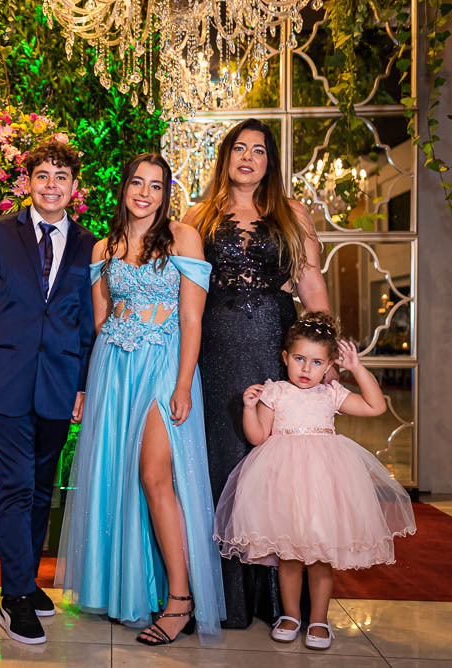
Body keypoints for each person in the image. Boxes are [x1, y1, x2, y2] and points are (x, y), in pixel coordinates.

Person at [56, 153, 225, 646]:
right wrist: (96, 379)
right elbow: (100, 320)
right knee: (116, 475)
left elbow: (192, 318)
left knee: (154, 476)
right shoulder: (104, 247)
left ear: (165, 193)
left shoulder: (183, 238)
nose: (145, 193)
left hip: (164, 363)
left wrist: (183, 383)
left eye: (155, 185)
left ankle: (180, 600)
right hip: (114, 366)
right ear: (124, 188)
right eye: (137, 182)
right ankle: (125, 589)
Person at [181, 118, 331, 629]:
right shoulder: (198, 215)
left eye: (259, 150)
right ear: (225, 156)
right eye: (239, 148)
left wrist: (325, 355)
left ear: (271, 161)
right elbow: (185, 295)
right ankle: (225, 598)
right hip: (215, 350)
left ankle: (278, 603)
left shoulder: (292, 212)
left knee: (278, 466)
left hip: (275, 348)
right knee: (221, 459)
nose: (248, 157)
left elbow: (311, 286)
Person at [214, 312, 416, 650]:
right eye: (299, 359)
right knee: (289, 556)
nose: (306, 368)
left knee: (321, 556)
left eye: (316, 362)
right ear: (285, 358)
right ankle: (291, 616)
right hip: (284, 484)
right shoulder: (275, 392)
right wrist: (249, 408)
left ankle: (319, 619)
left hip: (323, 484)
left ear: (329, 365)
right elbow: (258, 437)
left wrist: (357, 368)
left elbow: (375, 407)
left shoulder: (331, 394)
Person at [0, 139, 95, 645]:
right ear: (29, 182)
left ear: (74, 187)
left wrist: (82, 384)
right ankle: (14, 596)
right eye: (43, 175)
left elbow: (88, 323)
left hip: (60, 382)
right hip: (7, 379)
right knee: (16, 487)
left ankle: (28, 579)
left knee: (43, 489)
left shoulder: (89, 244)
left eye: (61, 177)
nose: (51, 185)